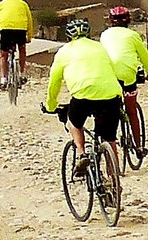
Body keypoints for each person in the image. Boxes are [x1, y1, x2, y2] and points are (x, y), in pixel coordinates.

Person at [43, 15, 126, 183]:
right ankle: (114, 181)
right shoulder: (100, 48)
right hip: (110, 95)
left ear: (68, 37)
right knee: (110, 138)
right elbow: (115, 68)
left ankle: (81, 153)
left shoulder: (63, 52)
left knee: (74, 123)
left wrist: (51, 105)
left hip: (83, 96)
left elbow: (54, 82)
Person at [99, 6, 148, 145]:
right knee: (131, 111)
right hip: (127, 78)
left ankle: (105, 143)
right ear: (128, 20)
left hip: (107, 77)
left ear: (110, 21)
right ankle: (138, 146)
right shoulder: (132, 35)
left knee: (106, 111)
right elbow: (146, 58)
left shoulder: (104, 35)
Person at [0, 0, 36, 91]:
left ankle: (3, 80)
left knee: (3, 55)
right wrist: (29, 36)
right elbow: (30, 20)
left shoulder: (1, 4)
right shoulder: (23, 4)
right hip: (20, 30)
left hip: (6, 30)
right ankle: (22, 75)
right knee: (22, 50)